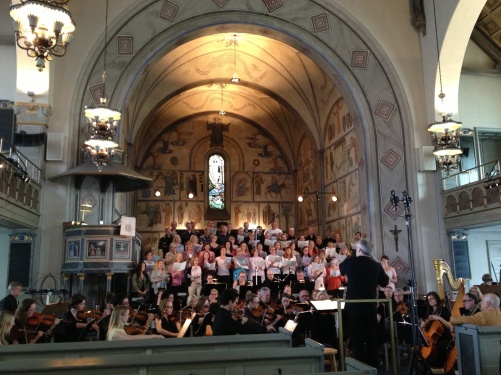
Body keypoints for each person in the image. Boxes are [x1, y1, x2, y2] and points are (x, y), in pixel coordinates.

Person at [339, 238, 389, 368]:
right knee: (370, 338)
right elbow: (385, 282)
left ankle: (359, 368)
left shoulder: (350, 262)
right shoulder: (376, 265)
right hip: (369, 307)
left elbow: (341, 270)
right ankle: (373, 367)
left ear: (359, 249)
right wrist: (380, 266)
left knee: (357, 339)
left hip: (354, 307)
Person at [420, 291, 452, 368]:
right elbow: (426, 326)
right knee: (423, 343)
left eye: (432, 298)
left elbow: (450, 326)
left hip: (444, 336)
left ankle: (440, 365)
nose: (430, 301)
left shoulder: (444, 310)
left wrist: (439, 318)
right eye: (428, 300)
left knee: (440, 345)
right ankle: (426, 363)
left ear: (437, 299)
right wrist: (422, 325)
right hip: (432, 336)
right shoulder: (429, 311)